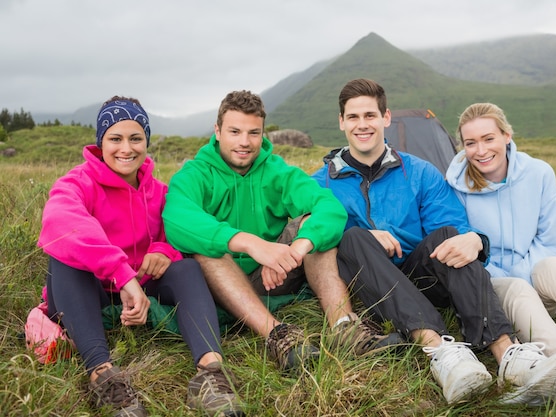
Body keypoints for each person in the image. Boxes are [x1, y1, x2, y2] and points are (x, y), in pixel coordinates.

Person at [311, 78, 556, 406]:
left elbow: (453, 226)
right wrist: (363, 237)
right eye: (353, 117)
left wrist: (475, 240)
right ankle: (443, 352)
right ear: (341, 122)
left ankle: (510, 355)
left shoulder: (420, 172)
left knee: (449, 237)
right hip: (369, 283)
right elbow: (308, 238)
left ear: (386, 118)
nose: (362, 125)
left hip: (420, 275)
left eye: (370, 115)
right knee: (353, 237)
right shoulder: (319, 183)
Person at [162, 90, 401, 373]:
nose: (244, 142)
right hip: (217, 282)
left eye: (253, 133)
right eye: (234, 132)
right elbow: (176, 219)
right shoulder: (195, 175)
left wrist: (297, 247)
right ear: (217, 131)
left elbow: (329, 207)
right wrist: (250, 244)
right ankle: (278, 336)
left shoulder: (276, 171)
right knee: (206, 249)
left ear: (263, 133)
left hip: (272, 276)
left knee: (312, 225)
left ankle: (344, 328)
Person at [37, 97, 243, 417]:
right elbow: (61, 224)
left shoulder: (159, 191)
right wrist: (121, 273)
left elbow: (178, 232)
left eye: (136, 138)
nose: (126, 148)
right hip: (90, 288)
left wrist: (164, 250)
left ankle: (211, 375)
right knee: (64, 258)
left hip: (145, 283)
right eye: (115, 139)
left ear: (146, 141)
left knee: (187, 268)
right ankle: (104, 377)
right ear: (100, 142)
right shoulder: (77, 183)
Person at [446, 101, 556, 383]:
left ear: (507, 136)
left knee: (553, 265)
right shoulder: (454, 187)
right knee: (517, 288)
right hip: (495, 289)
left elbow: (549, 242)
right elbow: (468, 253)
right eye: (470, 143)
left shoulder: (539, 173)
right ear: (462, 146)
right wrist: (518, 284)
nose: (480, 151)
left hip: (536, 280)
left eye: (488, 138)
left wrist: (528, 281)